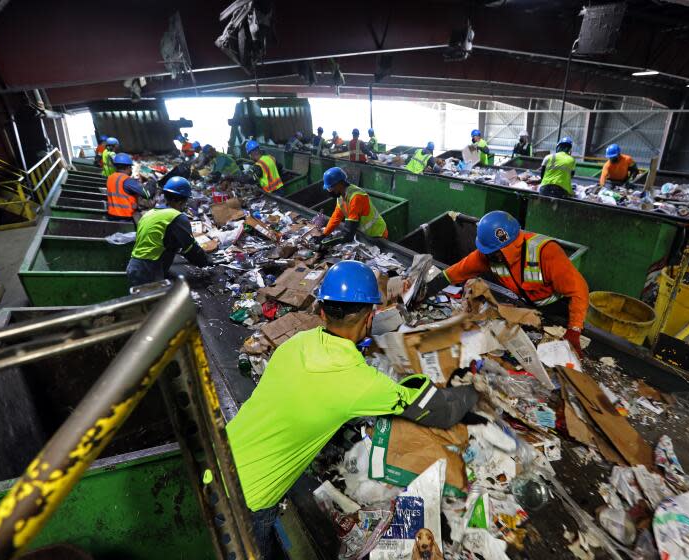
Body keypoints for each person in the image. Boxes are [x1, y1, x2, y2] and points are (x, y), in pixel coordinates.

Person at [226, 260, 478, 555]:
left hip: (219, 454)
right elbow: (441, 412)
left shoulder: (296, 344)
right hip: (250, 498)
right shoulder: (360, 383)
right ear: (370, 317)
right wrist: (474, 389)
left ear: (322, 311)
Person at [421, 211, 589, 356]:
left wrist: (574, 329)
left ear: (506, 249)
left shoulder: (545, 252)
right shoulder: (489, 254)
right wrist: (426, 289)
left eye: (493, 253)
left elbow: (578, 291)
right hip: (529, 305)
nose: (487, 256)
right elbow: (457, 271)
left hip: (560, 309)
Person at [126, 177, 212, 287]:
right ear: (182, 201)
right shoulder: (176, 217)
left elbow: (158, 240)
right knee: (158, 303)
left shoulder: (150, 213)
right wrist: (206, 261)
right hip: (149, 270)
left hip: (134, 266)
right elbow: (190, 248)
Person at [318, 167, 388, 243]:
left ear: (340, 184)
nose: (329, 191)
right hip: (365, 234)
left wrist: (331, 243)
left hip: (377, 234)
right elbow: (336, 217)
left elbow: (349, 230)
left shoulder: (356, 197)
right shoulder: (341, 196)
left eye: (330, 188)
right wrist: (324, 235)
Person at [106, 153, 150, 222]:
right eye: (131, 167)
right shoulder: (127, 180)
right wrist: (151, 181)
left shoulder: (110, 178)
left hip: (112, 215)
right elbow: (147, 194)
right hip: (125, 217)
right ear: (128, 167)